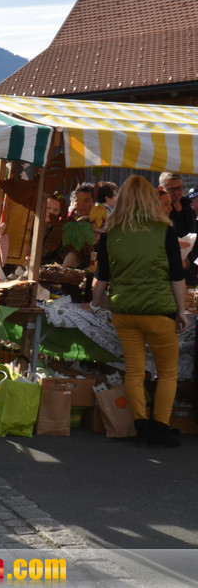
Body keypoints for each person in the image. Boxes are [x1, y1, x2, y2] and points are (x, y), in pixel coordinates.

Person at [83, 176, 188, 447]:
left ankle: (141, 427)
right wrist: (181, 311)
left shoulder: (111, 233)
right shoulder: (163, 230)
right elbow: (176, 276)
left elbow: (101, 277)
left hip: (124, 312)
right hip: (159, 311)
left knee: (134, 372)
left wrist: (94, 304)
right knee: (167, 372)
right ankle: (160, 428)